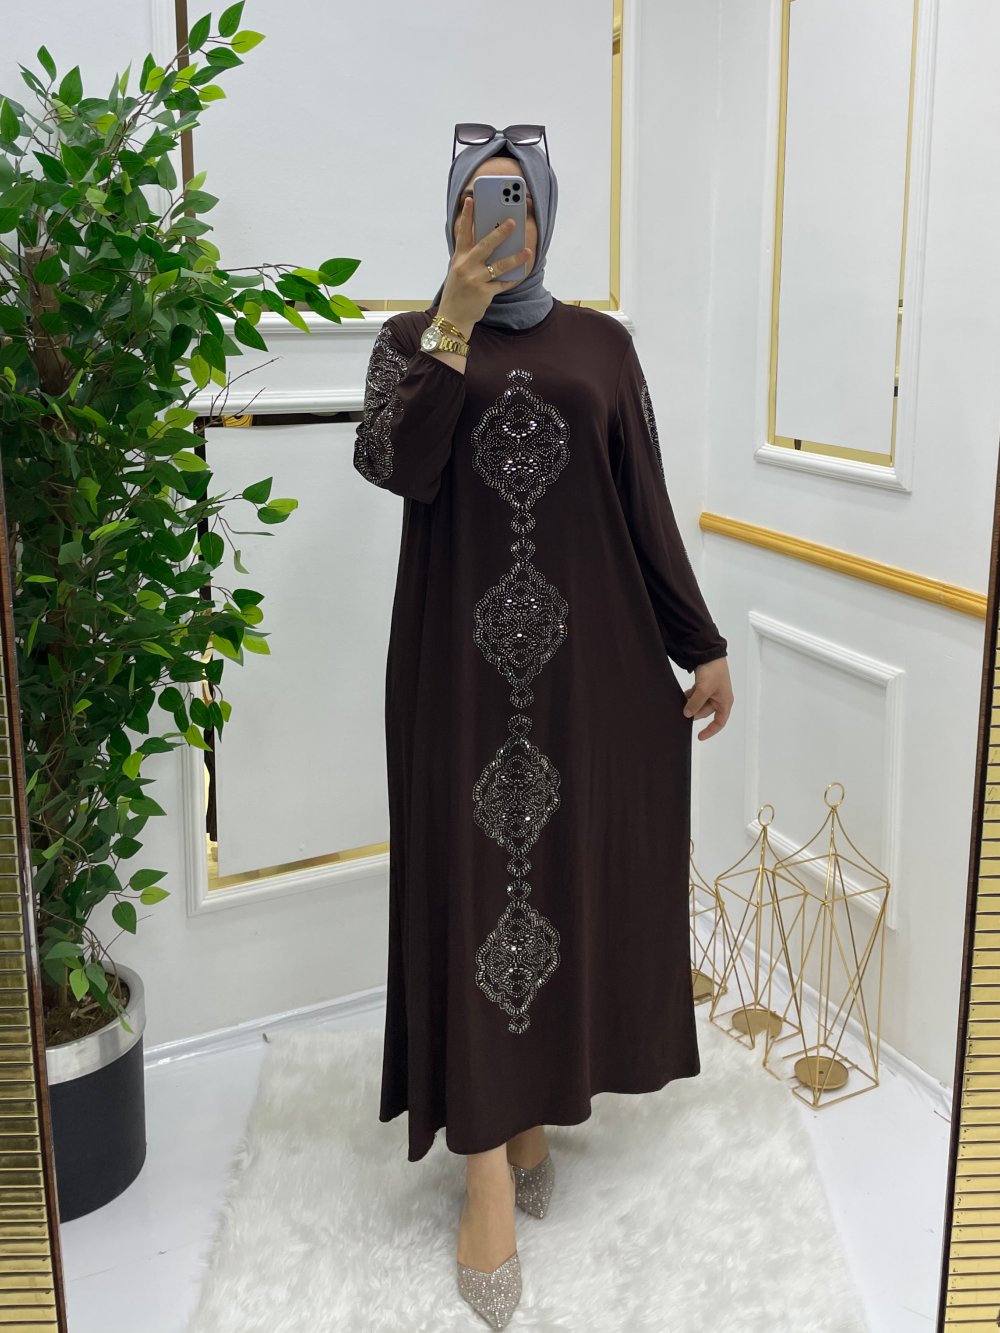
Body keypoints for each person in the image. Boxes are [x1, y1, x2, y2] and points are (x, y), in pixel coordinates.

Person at [353, 126, 734, 1329]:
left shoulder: (602, 344)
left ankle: (527, 1114)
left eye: (518, 196)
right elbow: (394, 464)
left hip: (586, 678)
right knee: (471, 895)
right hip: (454, 683)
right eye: (479, 198)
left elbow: (641, 497)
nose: (500, 217)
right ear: (451, 215)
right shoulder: (408, 342)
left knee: (556, 890)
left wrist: (700, 638)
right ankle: (483, 1172)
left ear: (549, 209)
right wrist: (452, 324)